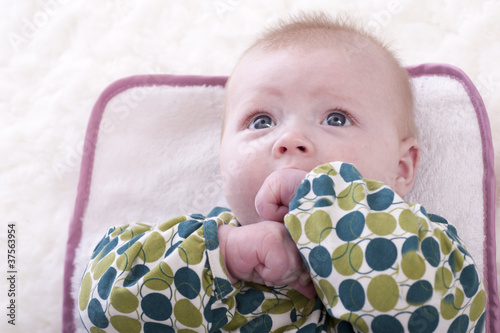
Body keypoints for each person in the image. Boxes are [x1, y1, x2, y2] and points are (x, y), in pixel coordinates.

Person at [78, 12, 486, 332]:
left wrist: (324, 209)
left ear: (402, 167)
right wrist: (229, 254)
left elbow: (441, 316)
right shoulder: (200, 250)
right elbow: (102, 306)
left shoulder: (420, 242)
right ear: (223, 162)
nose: (290, 139)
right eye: (260, 122)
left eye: (336, 118)